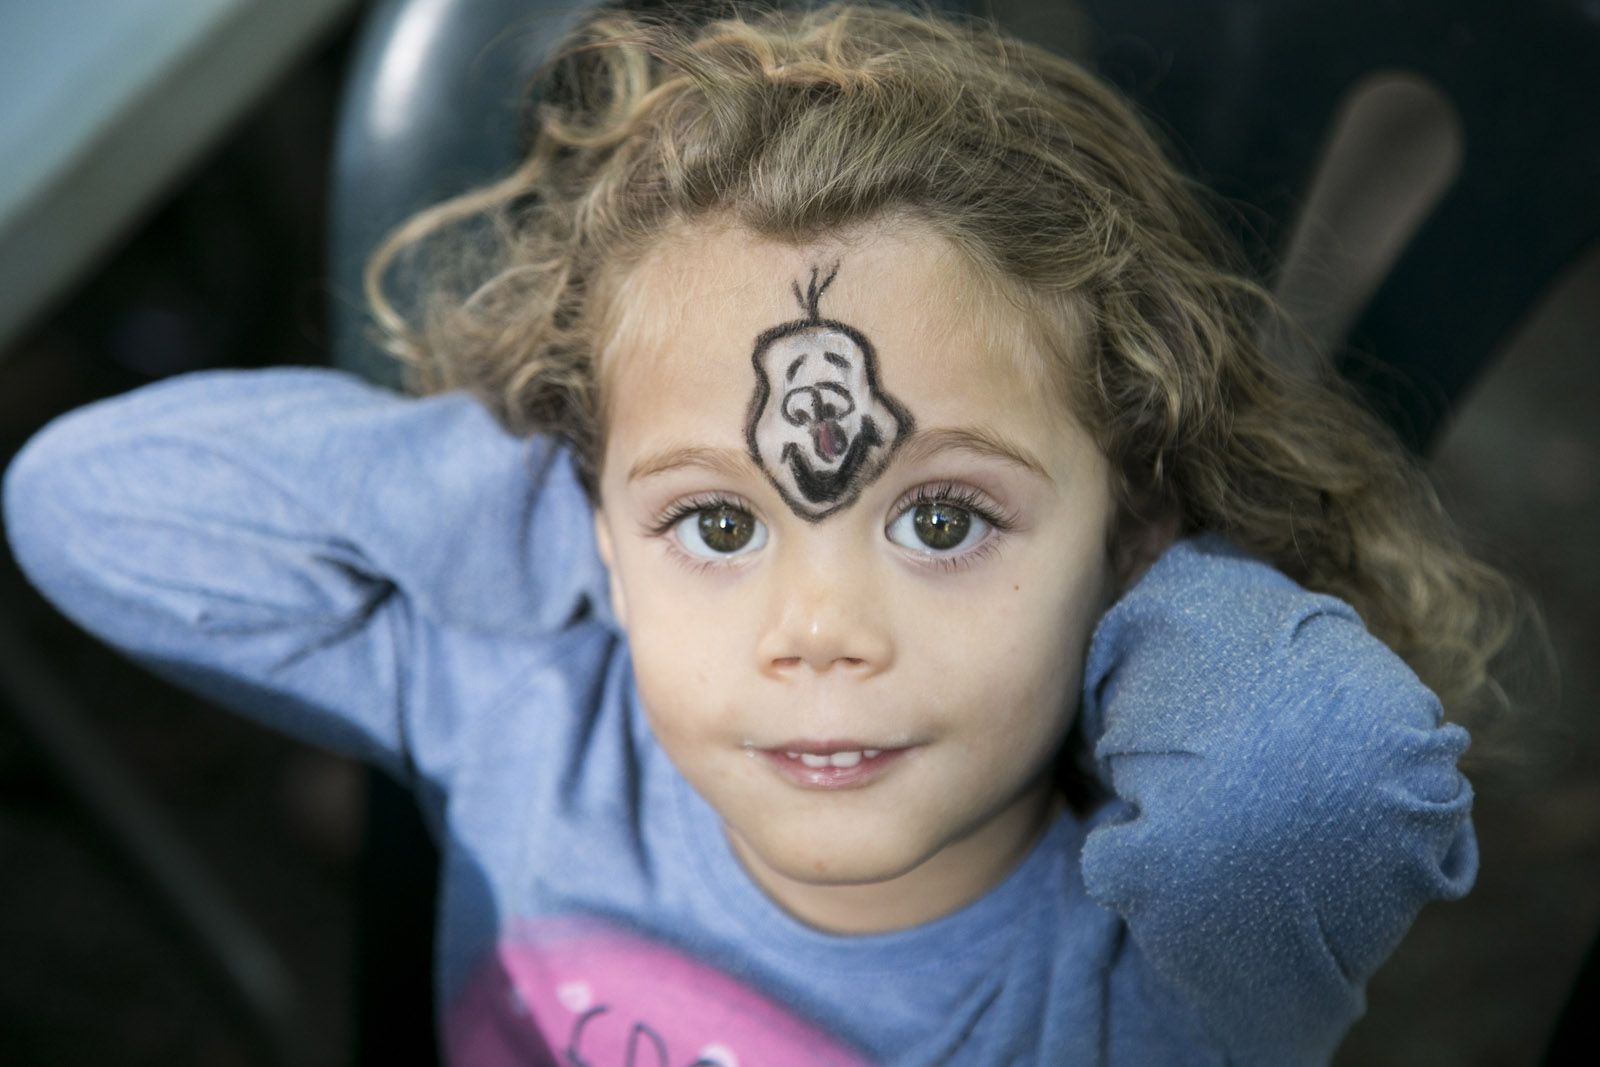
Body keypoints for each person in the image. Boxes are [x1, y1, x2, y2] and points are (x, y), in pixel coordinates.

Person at [1, 1, 1530, 1063]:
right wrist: (560, 492)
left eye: (941, 516)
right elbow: (83, 505)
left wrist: (1136, 589)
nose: (819, 629)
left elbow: (1320, 780)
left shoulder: (1171, 967)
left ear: (1130, 519)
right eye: (718, 522)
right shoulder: (534, 721)